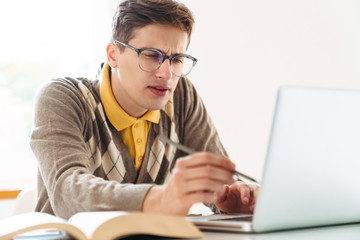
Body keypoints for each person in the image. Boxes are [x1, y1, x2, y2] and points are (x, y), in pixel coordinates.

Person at [30, 0, 259, 220]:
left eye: (177, 59)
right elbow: (67, 193)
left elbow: (217, 180)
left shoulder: (181, 95)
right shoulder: (62, 97)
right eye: (151, 55)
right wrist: (159, 199)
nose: (167, 74)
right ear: (113, 55)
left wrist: (231, 197)